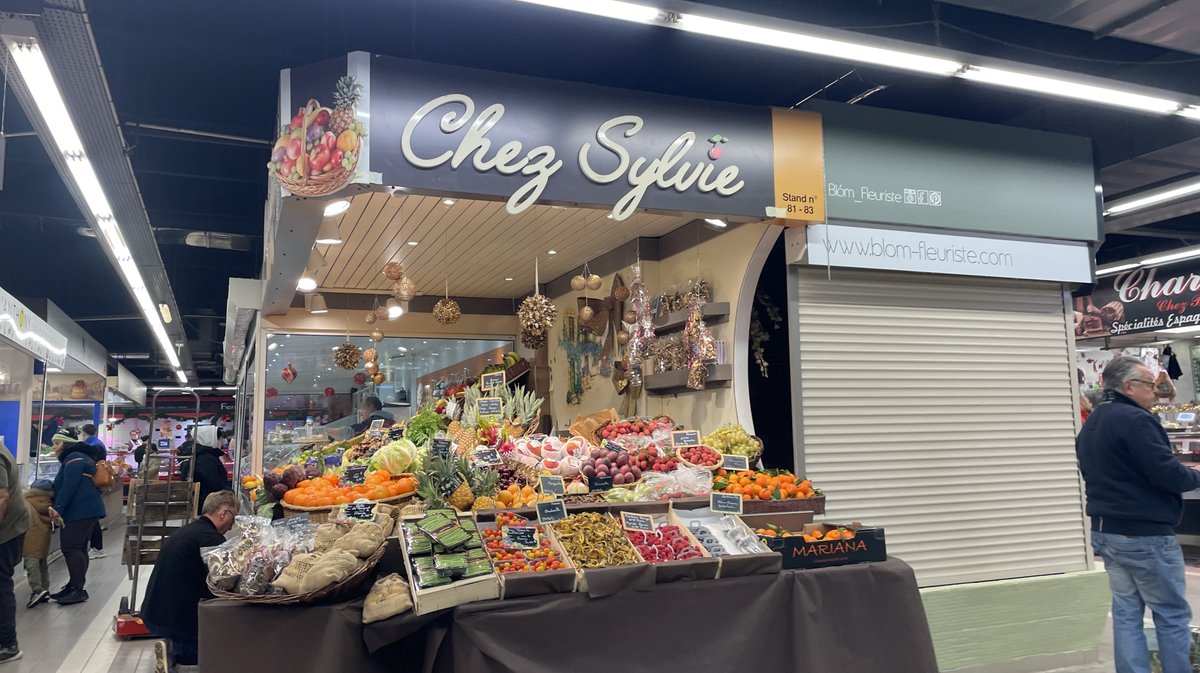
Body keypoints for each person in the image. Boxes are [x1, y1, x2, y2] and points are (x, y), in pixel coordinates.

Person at [1077, 355, 1200, 673]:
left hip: (1107, 532)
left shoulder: (1094, 423)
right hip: (1145, 535)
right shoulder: (1137, 420)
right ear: (1128, 386)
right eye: (1149, 384)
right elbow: (1168, 474)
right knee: (1171, 615)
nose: (1155, 391)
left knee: (1127, 613)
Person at [142, 490, 237, 673]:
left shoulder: (190, 530)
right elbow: (224, 581)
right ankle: (174, 650)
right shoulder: (210, 538)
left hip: (156, 612)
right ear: (223, 513)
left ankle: (171, 647)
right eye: (233, 518)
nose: (232, 526)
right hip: (175, 620)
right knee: (222, 645)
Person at [48, 434, 105, 606]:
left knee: (71, 548)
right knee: (80, 548)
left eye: (57, 443)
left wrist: (58, 509)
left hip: (79, 511)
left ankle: (78, 589)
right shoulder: (83, 457)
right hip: (88, 510)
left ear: (67, 445)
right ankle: (74, 585)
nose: (54, 447)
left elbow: (69, 486)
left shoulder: (73, 459)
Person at [0, 441, 28, 664]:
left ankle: (8, 644)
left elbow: (1, 497)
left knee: (0, 586)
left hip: (5, 532)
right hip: (12, 527)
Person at [181, 426, 230, 513]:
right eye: (219, 439)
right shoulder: (206, 459)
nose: (221, 442)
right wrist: (230, 493)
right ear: (211, 439)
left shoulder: (202, 455)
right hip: (209, 507)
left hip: (207, 504)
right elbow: (214, 484)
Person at [22, 479, 53, 609]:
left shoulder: (26, 502)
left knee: (31, 564)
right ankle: (45, 588)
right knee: (42, 563)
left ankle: (37, 590)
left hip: (30, 537)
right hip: (43, 537)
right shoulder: (49, 504)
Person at [79, 424, 108, 560]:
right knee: (93, 518)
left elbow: (90, 464)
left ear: (83, 432)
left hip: (92, 482)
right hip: (96, 481)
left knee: (92, 518)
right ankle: (96, 547)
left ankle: (97, 547)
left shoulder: (90, 445)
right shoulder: (98, 443)